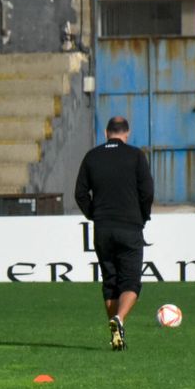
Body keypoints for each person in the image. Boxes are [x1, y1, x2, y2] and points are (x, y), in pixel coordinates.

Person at [74, 115, 154, 351]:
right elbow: (147, 191)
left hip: (103, 229)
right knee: (131, 281)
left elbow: (79, 194)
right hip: (129, 226)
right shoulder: (136, 155)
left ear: (106, 133)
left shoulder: (92, 156)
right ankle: (119, 320)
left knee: (110, 281)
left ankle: (116, 334)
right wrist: (143, 215)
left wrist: (94, 215)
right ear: (126, 134)